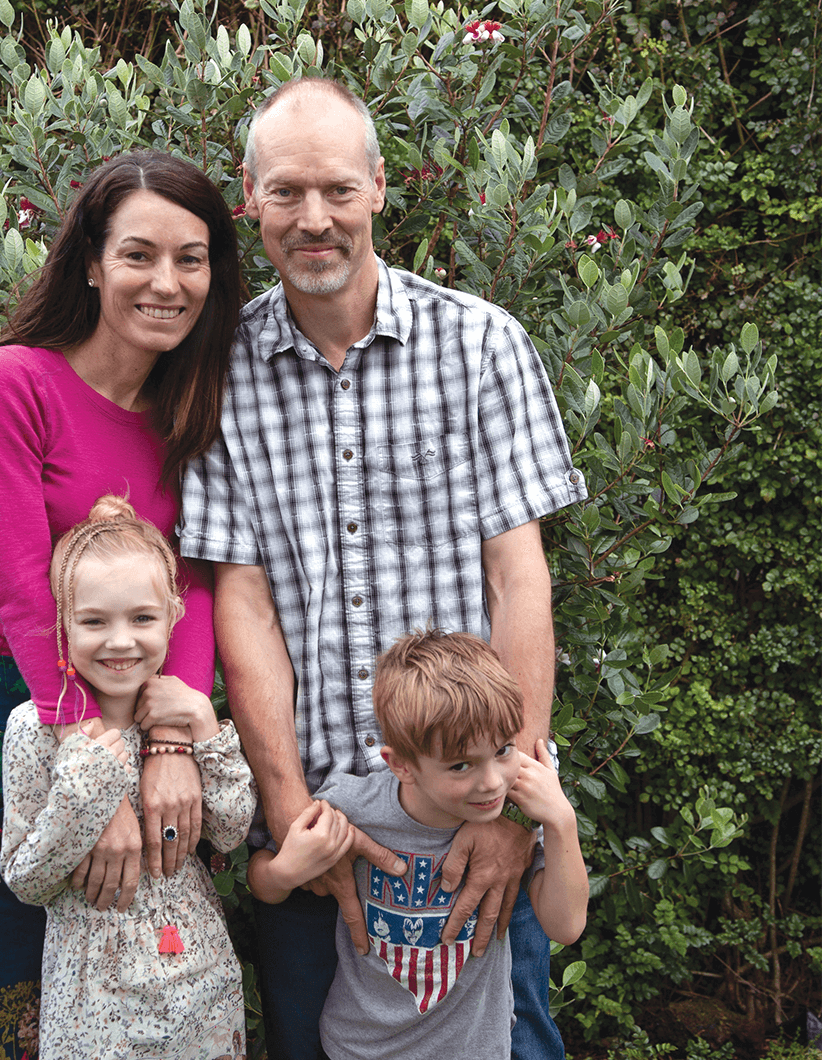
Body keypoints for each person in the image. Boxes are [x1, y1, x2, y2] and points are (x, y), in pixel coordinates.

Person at [179, 78, 588, 1060]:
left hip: (467, 822)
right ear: (249, 196)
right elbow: (245, 606)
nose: (311, 219)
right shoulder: (216, 372)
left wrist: (508, 808)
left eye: (333, 189)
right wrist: (284, 816)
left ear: (377, 186)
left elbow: (516, 583)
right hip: (324, 829)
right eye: (284, 193)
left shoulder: (479, 345)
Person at [0, 150, 242, 1057]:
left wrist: (170, 741)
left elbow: (196, 582)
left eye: (192, 258)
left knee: (131, 996)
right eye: (139, 254)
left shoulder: (193, 403)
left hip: (153, 712)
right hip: (19, 716)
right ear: (91, 261)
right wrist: (93, 768)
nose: (166, 283)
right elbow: (18, 588)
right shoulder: (14, 382)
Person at [248, 628, 588, 1059]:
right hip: (361, 1049)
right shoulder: (350, 806)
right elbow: (262, 878)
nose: (491, 782)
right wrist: (284, 871)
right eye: (461, 765)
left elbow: (566, 925)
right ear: (401, 765)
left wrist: (562, 821)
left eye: (502, 750)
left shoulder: (517, 815)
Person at [1, 495, 255, 1059]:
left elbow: (232, 831)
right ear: (62, 624)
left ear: (174, 616)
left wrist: (207, 726)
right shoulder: (35, 730)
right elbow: (26, 878)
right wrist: (89, 788)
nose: (120, 641)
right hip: (94, 1001)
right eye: (94, 621)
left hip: (198, 983)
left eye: (142, 618)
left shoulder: (181, 716)